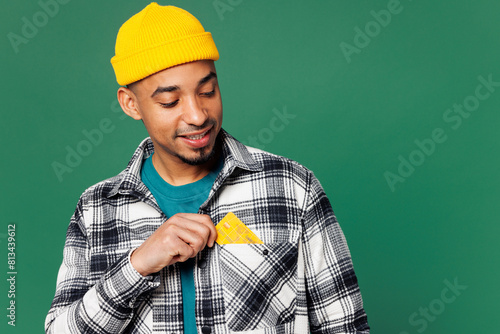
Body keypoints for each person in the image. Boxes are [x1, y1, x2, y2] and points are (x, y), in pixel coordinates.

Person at [45, 3, 369, 333]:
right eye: (170, 101)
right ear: (131, 104)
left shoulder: (292, 188)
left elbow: (345, 326)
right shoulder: (96, 209)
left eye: (207, 91)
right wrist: (137, 265)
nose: (198, 115)